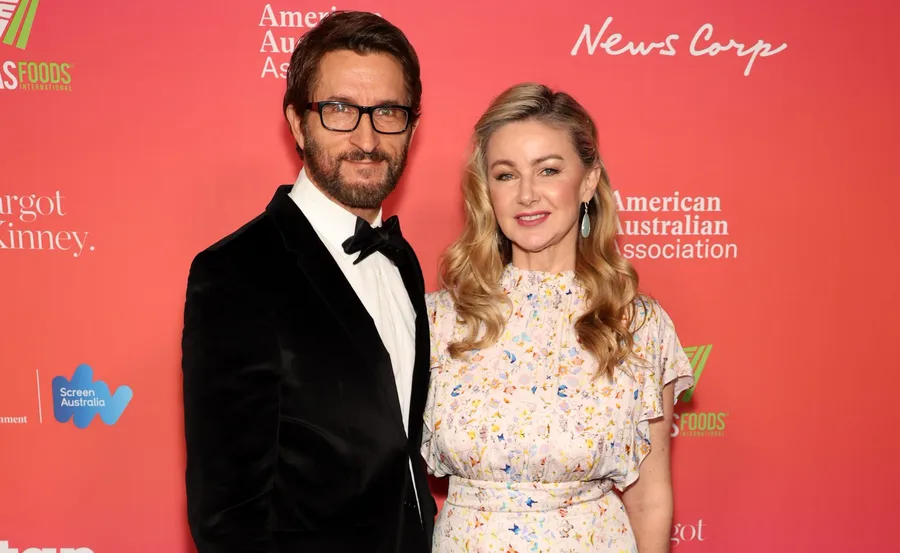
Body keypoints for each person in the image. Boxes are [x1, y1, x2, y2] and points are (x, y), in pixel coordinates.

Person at [181, 11, 436, 553]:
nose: (367, 138)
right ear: (298, 123)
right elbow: (226, 515)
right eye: (340, 110)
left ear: (412, 125)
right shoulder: (235, 272)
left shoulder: (404, 260)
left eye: (388, 112)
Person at [422, 83, 695, 553]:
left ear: (588, 181)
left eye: (548, 170)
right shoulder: (437, 320)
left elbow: (649, 497)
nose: (528, 194)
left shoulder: (637, 325)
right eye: (506, 175)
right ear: (487, 191)